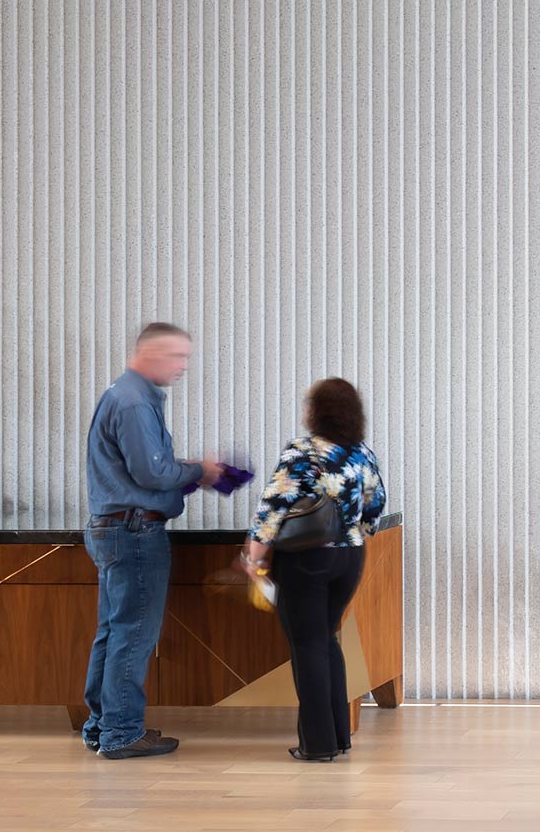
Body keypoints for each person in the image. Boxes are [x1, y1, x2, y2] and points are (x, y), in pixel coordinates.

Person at [82, 322, 225, 759]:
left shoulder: (128, 396)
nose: (183, 366)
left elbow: (145, 466)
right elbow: (151, 474)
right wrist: (199, 471)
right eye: (177, 356)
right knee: (133, 633)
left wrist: (184, 469)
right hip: (134, 531)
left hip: (115, 528)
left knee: (112, 630)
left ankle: (102, 726)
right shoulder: (134, 403)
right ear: (149, 353)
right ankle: (122, 733)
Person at [241, 377, 390, 762]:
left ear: (316, 412)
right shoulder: (361, 453)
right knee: (326, 640)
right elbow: (376, 507)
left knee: (307, 646)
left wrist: (254, 556)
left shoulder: (302, 452)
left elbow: (273, 507)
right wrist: (353, 532)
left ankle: (318, 744)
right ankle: (339, 736)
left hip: (306, 560)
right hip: (350, 559)